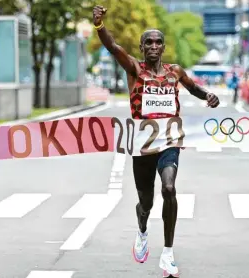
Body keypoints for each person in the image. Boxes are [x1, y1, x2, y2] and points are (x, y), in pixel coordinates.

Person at [92, 5, 219, 277]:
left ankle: (168, 253)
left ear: (163, 48)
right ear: (141, 48)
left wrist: (208, 95)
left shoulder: (175, 72)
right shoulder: (135, 70)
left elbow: (194, 88)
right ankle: (142, 229)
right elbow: (113, 47)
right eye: (148, 42)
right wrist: (100, 26)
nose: (153, 46)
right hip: (142, 146)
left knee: (169, 188)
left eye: (158, 42)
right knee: (146, 202)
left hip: (169, 142)